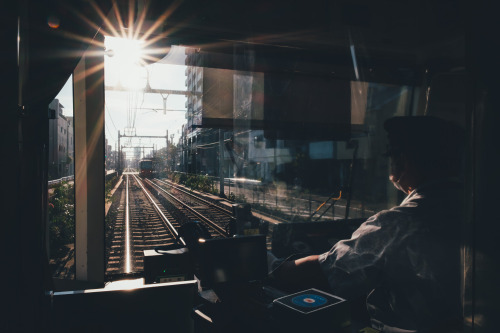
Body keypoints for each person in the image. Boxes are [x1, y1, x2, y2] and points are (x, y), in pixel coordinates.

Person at [271, 116, 464, 333]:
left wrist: (274, 266)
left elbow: (328, 272)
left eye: (391, 154)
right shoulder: (478, 210)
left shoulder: (399, 222)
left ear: (404, 161)